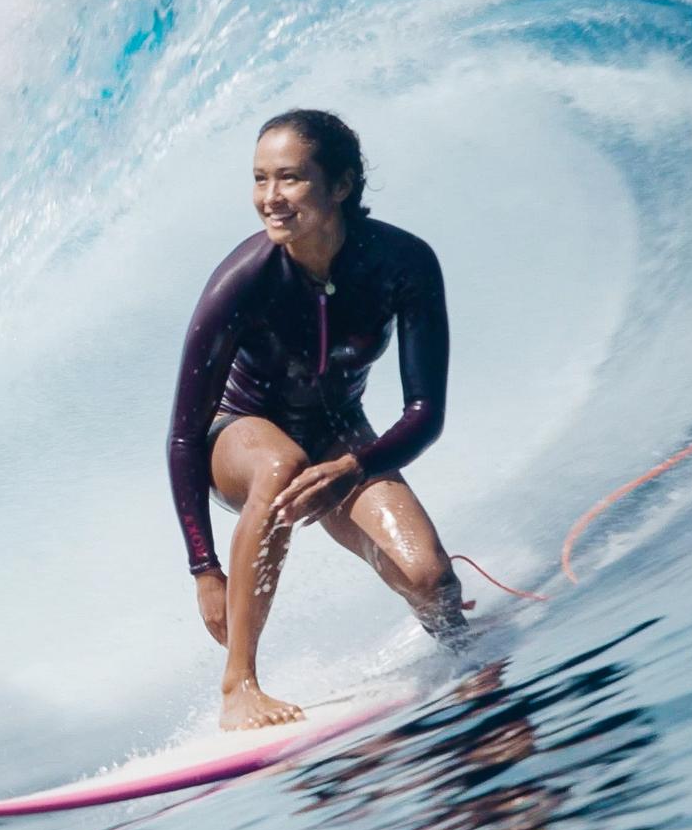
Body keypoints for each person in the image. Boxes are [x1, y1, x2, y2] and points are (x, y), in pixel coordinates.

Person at [167, 109, 468, 731]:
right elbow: (181, 436)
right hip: (239, 437)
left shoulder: (403, 264)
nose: (270, 199)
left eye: (290, 179)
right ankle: (239, 688)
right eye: (259, 179)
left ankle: (465, 659)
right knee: (282, 463)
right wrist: (205, 569)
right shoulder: (244, 279)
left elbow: (425, 413)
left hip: (338, 441)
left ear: (342, 185)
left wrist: (354, 467)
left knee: (432, 581)